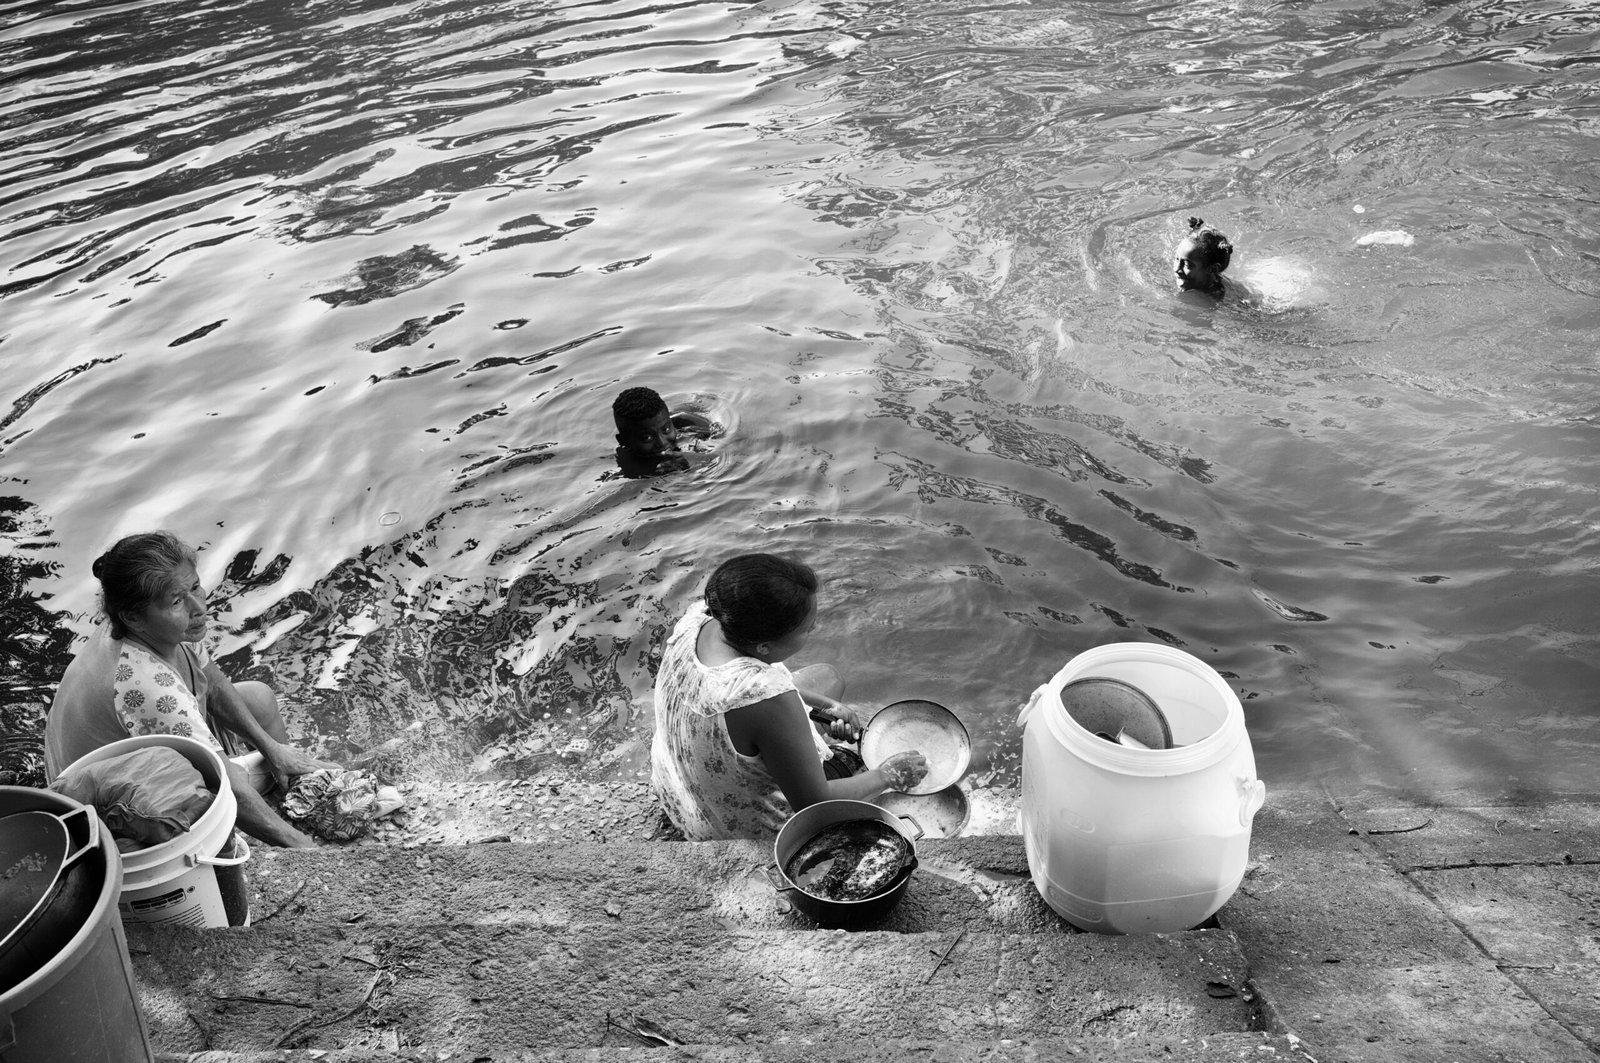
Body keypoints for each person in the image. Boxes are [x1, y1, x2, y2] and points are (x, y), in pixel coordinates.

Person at [44, 531, 337, 848]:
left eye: (195, 586)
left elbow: (211, 683)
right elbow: (228, 785)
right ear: (133, 617)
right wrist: (308, 849)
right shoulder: (145, 684)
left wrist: (273, 750)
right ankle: (281, 825)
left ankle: (290, 791)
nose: (199, 607)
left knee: (258, 699)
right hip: (105, 811)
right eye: (177, 601)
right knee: (219, 792)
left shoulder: (148, 624)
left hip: (130, 758)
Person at [650, 553, 929, 840]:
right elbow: (815, 803)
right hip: (735, 830)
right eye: (807, 629)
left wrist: (825, 705)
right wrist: (887, 775)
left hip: (680, 792)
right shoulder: (764, 699)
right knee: (851, 762)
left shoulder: (701, 619)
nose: (814, 629)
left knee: (828, 678)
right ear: (764, 647)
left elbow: (761, 693)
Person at [612, 386, 713, 478]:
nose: (662, 442)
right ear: (623, 441)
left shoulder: (690, 423)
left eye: (666, 430)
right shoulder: (629, 467)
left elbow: (721, 449)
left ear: (671, 423)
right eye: (647, 437)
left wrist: (691, 459)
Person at [1174, 215, 1234, 298]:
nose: (1177, 269)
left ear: (1213, 269)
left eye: (1187, 265)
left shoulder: (1219, 301)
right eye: (1176, 259)